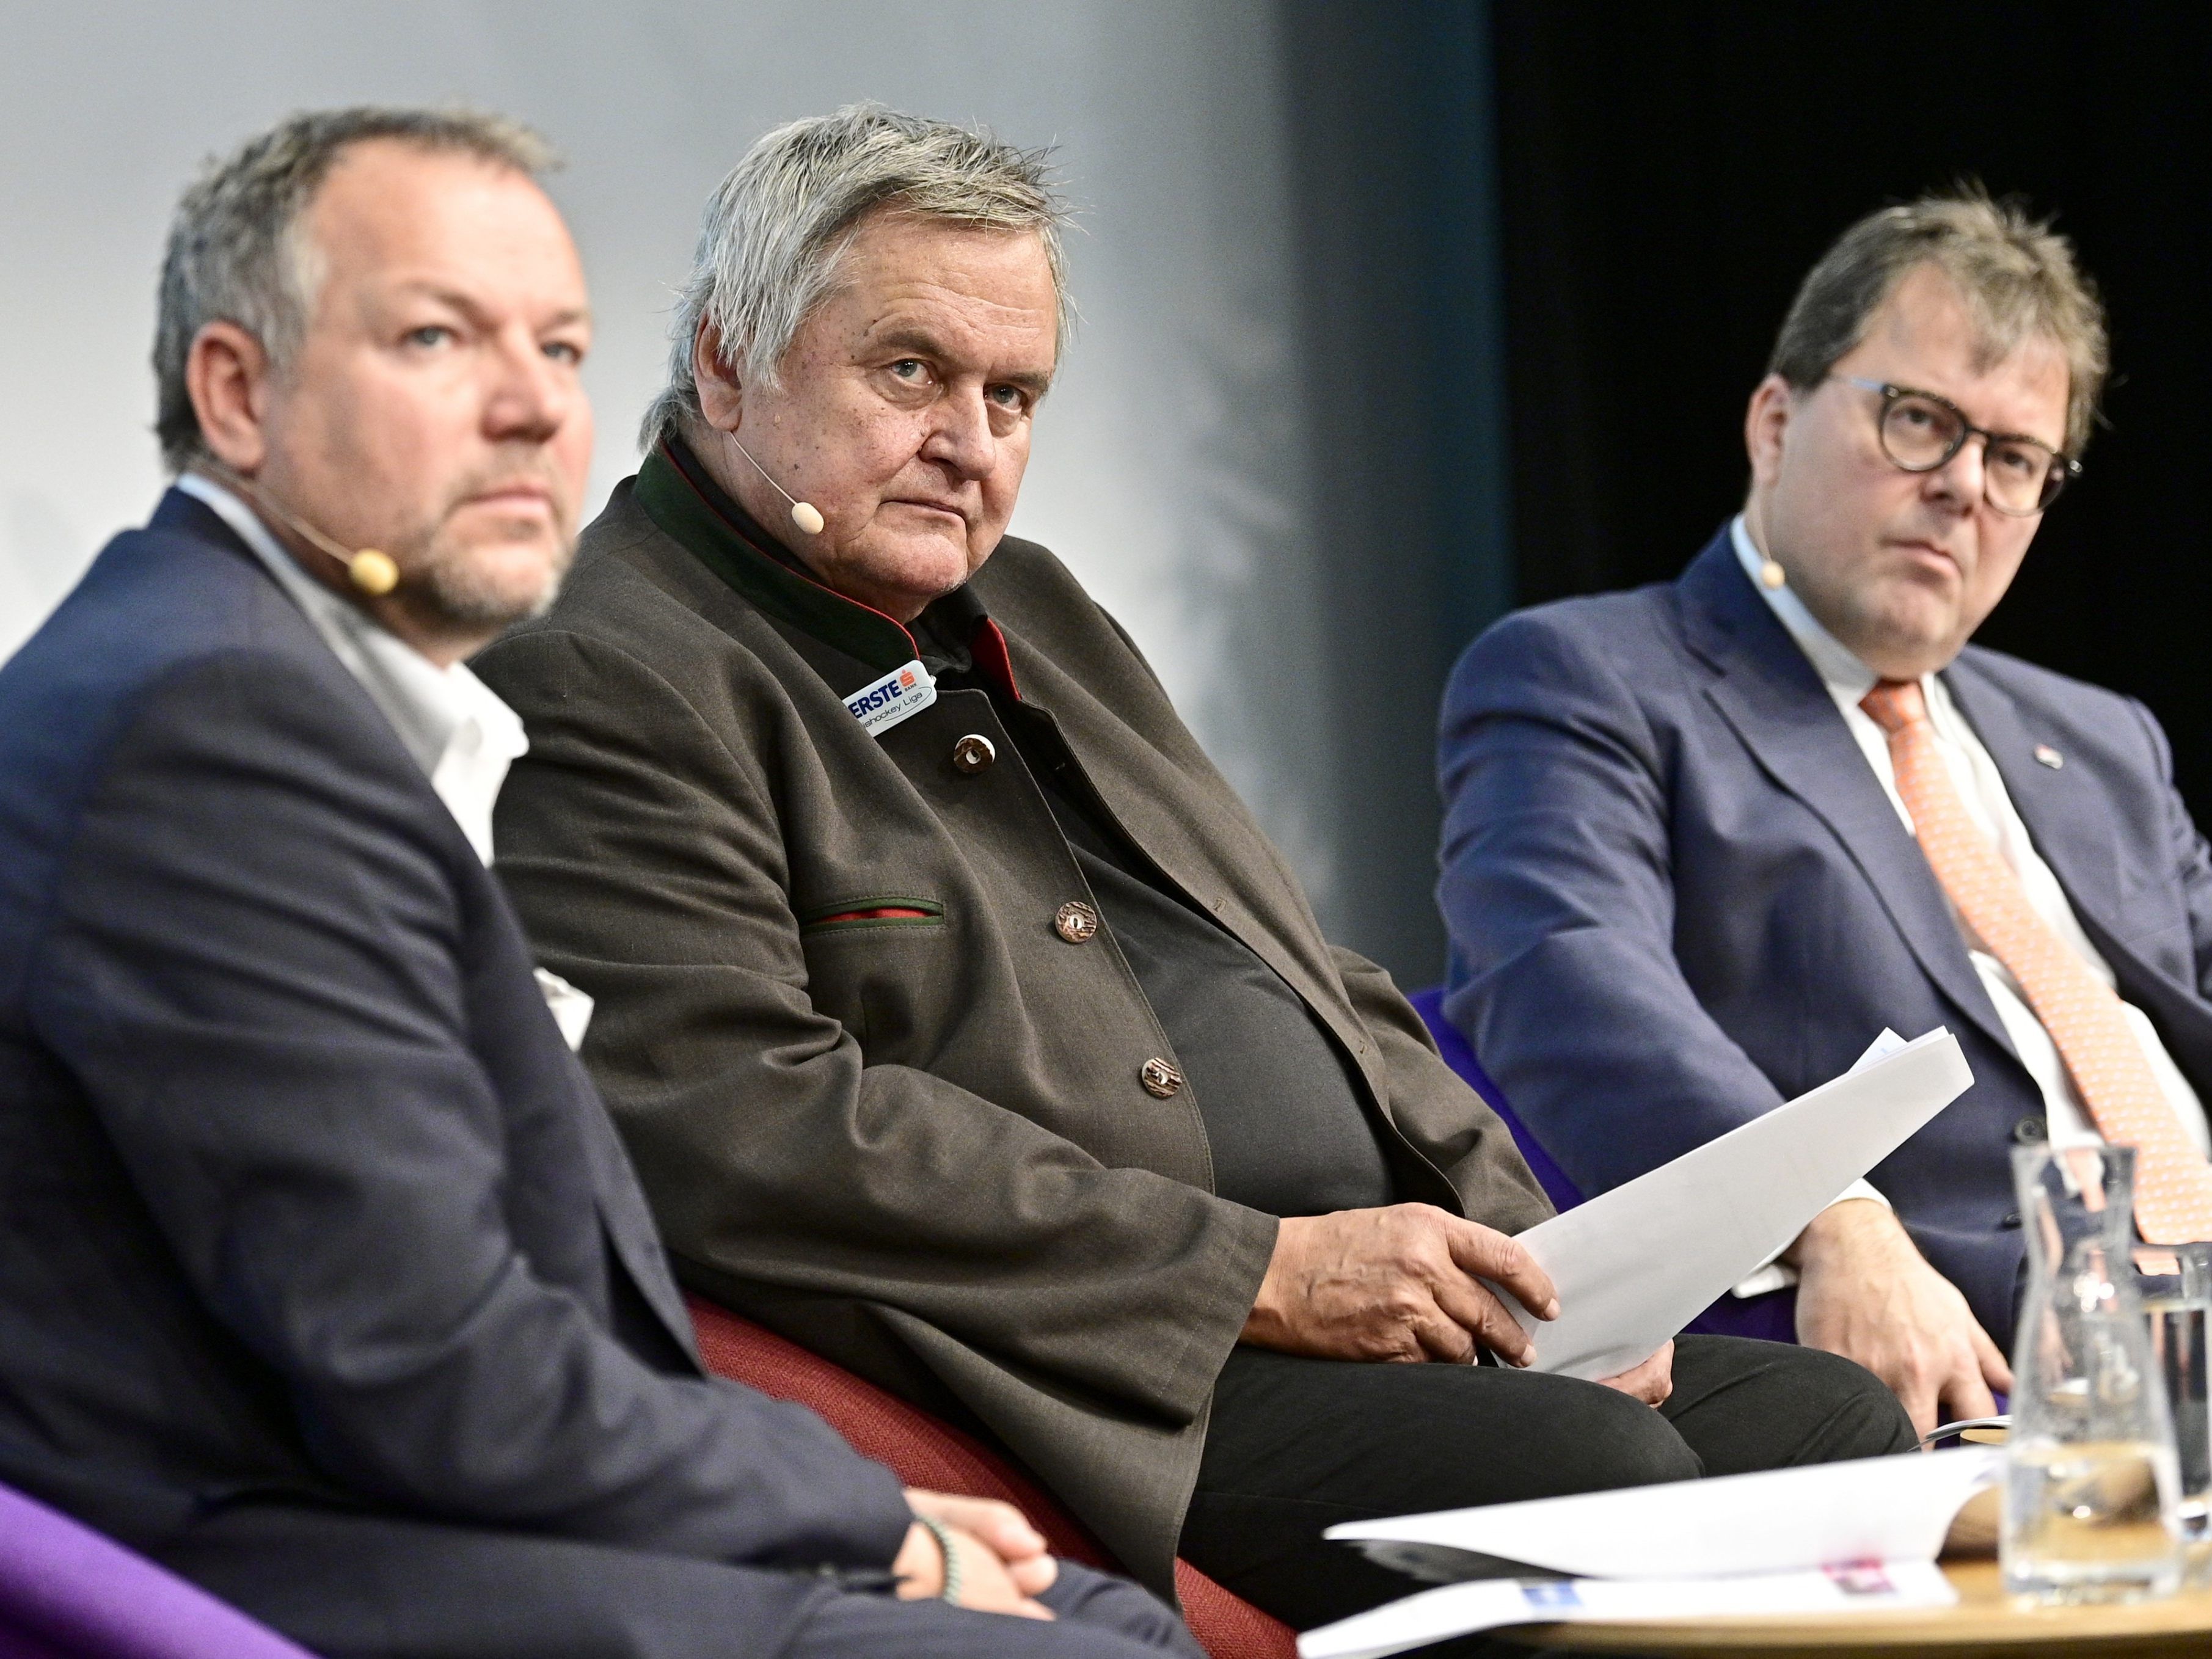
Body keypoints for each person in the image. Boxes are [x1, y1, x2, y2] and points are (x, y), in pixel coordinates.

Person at [476, 103, 1915, 1635]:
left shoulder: (1036, 602)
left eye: (1011, 393)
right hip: (1101, 1362)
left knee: (1834, 1434)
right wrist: (1254, 1272)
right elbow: (738, 1120)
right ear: (723, 359)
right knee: (1588, 1466)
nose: (967, 439)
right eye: (909, 371)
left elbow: (1317, 978)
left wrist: (1552, 1274)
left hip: (1348, 1319)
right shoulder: (604, 665)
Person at [0, 107, 1197, 1659]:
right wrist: (862, 1513)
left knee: (1092, 1614)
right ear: (238, 392)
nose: (530, 412)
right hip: (294, 1562)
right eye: (438, 338)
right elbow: (433, 1365)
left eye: (561, 351)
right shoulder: (212, 725)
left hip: (413, 1505)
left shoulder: (243, 675)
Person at [1435, 189, 2211, 1441]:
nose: (1962, 485)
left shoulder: (2105, 739)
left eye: (2013, 458)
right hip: (1989, 1333)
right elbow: (1563, 981)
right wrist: (1831, 1211)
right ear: (1773, 419)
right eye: (1917, 421)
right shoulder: (1585, 678)